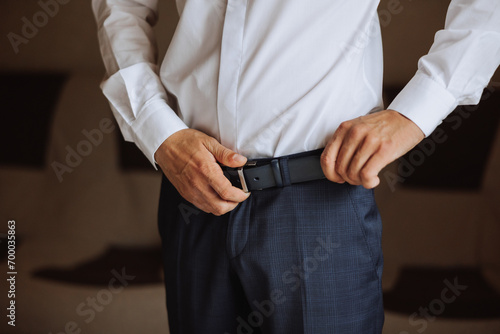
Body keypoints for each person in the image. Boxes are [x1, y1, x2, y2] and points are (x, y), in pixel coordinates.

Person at [92, 0, 500, 333]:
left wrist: (415, 112)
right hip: (192, 193)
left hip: (318, 204)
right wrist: (158, 131)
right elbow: (120, 7)